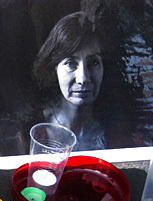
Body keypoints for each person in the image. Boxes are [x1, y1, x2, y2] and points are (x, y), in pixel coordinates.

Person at [33, 11, 107, 151]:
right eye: (71, 64)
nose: (83, 79)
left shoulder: (115, 127)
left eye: (93, 63)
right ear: (55, 67)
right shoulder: (36, 126)